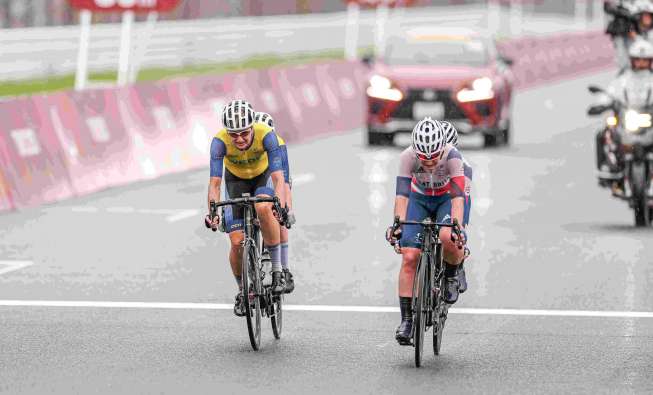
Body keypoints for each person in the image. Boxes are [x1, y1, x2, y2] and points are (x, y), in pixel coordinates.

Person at [385, 117, 467, 345]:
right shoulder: (406, 157)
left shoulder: (453, 157)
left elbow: (459, 198)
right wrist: (398, 224)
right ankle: (407, 321)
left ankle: (451, 274)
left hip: (445, 199)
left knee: (446, 236)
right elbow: (401, 196)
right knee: (410, 256)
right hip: (419, 199)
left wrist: (457, 226)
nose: (429, 164)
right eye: (424, 159)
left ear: (443, 148)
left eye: (434, 158)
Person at [205, 99, 287, 317]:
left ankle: (277, 269)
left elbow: (279, 178)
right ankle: (243, 291)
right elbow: (214, 184)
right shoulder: (219, 142)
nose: (239, 139)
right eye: (234, 134)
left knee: (262, 207)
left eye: (244, 133)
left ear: (252, 127)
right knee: (236, 242)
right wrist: (212, 212)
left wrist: (279, 204)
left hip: (263, 177)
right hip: (236, 181)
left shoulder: (266, 134)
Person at [595, 38, 653, 192]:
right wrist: (601, 104)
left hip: (650, 121)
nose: (641, 64)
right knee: (604, 134)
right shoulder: (623, 79)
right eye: (638, 60)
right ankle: (609, 171)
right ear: (632, 61)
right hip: (628, 121)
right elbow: (610, 93)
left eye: (644, 60)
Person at [255, 111, 295, 294]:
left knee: (280, 217)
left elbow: (284, 181)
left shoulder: (277, 144)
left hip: (273, 176)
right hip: (253, 175)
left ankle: (284, 270)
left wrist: (287, 209)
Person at [441, 121, 472, 294]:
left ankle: (458, 263)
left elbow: (463, 199)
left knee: (455, 231)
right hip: (431, 196)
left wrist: (460, 229)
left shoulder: (463, 166)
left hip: (453, 197)